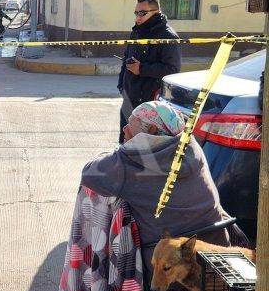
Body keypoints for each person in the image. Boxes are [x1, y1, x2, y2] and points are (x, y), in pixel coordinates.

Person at [81, 101, 229, 272]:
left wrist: (121, 152)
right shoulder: (191, 146)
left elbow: (89, 174)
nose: (124, 129)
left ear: (150, 131)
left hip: (166, 265)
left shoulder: (131, 160)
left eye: (130, 124)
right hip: (215, 249)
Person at [117, 0, 180, 143]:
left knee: (144, 148)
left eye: (142, 13)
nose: (138, 17)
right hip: (129, 97)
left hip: (149, 102)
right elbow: (126, 58)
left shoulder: (167, 36)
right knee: (125, 142)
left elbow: (172, 69)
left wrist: (142, 69)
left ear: (156, 12)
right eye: (136, 13)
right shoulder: (137, 32)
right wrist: (121, 85)